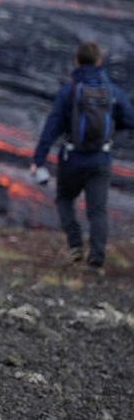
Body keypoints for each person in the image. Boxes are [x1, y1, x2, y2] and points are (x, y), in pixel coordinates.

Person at [30, 42, 132, 273]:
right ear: (99, 61)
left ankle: (75, 245)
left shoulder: (70, 91)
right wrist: (112, 130)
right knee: (98, 210)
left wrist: (39, 158)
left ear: (76, 61)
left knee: (65, 199)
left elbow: (52, 126)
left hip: (72, 158)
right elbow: (130, 119)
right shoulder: (112, 91)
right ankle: (96, 259)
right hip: (101, 159)